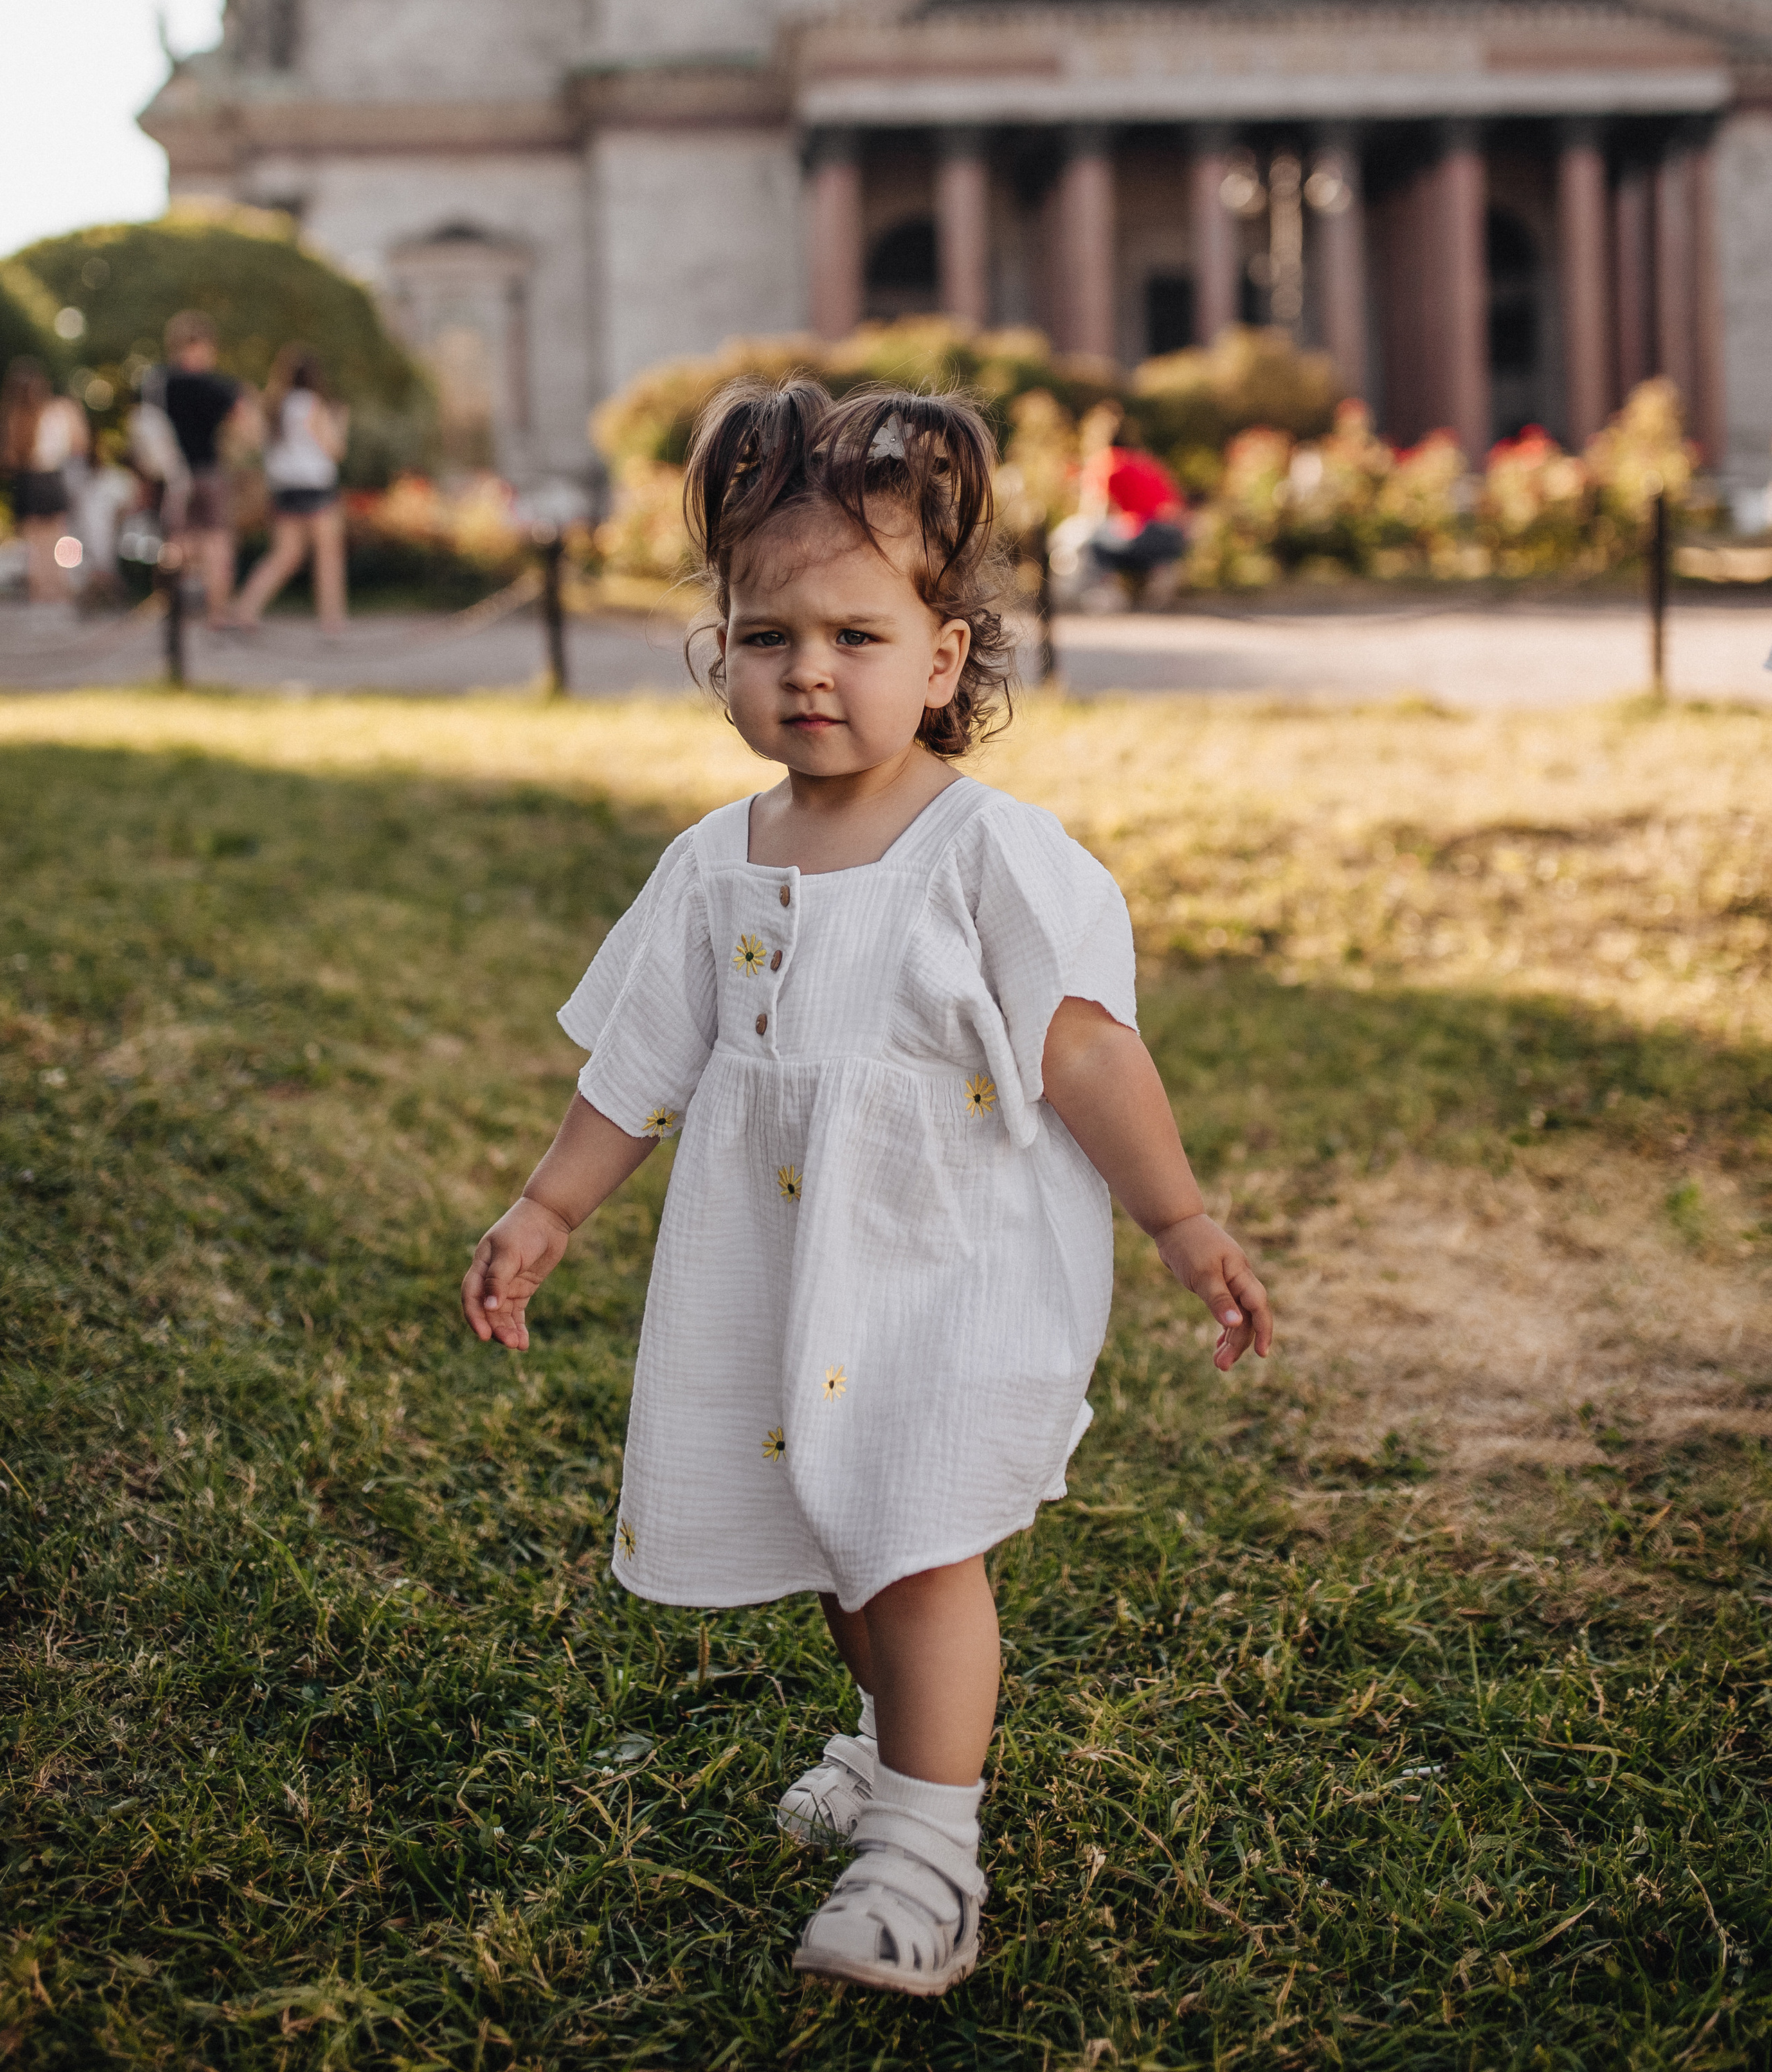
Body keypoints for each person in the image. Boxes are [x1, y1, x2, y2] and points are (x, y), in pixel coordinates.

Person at [460, 381, 1271, 1997]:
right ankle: (897, 1739)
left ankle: (929, 1854)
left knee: (909, 1548)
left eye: (854, 635)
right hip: (788, 1282)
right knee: (839, 1537)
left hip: (946, 1273)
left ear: (944, 657)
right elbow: (637, 1065)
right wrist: (548, 1208)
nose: (808, 672)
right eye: (766, 639)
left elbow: (1089, 1054)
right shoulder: (714, 863)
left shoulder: (987, 855)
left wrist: (1177, 1221)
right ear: (719, 657)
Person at [224, 345, 349, 631]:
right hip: (317, 489)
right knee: (328, 558)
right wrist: (340, 422)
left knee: (285, 555)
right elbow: (335, 448)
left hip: (285, 489)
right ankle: (332, 621)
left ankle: (246, 609)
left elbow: (254, 443)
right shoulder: (312, 404)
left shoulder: (273, 407)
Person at [158, 311, 254, 621]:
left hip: (176, 475)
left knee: (178, 544)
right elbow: (246, 428)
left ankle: (170, 612)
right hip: (209, 471)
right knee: (217, 544)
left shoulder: (161, 382)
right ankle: (217, 614)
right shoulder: (218, 387)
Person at [1079, 405, 1191, 605]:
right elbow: (1175, 506)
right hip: (1174, 536)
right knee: (1121, 534)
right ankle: (1159, 585)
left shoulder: (1106, 461)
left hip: (1143, 535)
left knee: (1094, 539)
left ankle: (1107, 593)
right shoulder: (1147, 460)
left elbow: (1095, 511)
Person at [1, 356, 89, 602]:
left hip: (29, 481)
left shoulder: (14, 417)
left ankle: (40, 590)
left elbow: (10, 460)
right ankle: (57, 589)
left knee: (34, 542)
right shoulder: (60, 410)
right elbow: (79, 445)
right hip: (51, 478)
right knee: (55, 537)